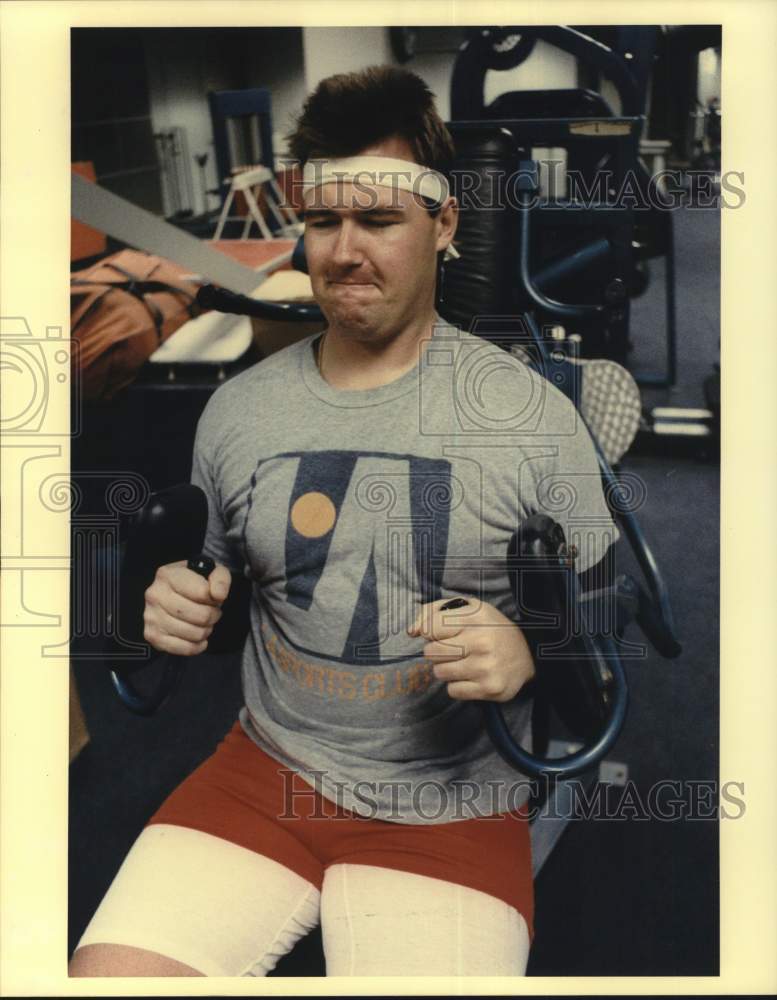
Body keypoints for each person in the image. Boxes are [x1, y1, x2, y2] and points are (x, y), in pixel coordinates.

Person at [69, 65, 618, 977]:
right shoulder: (236, 412)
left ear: (443, 225)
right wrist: (172, 605)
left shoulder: (530, 415)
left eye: (377, 220)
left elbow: (603, 606)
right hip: (263, 774)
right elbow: (222, 589)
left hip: (452, 806)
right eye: (323, 222)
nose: (343, 251)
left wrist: (529, 648)